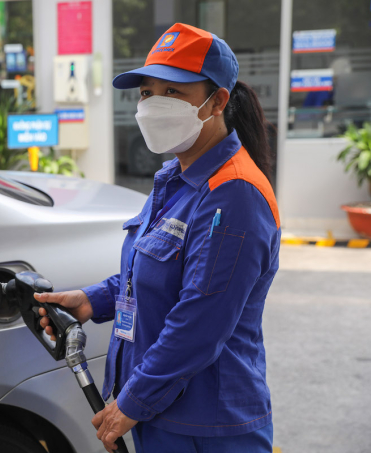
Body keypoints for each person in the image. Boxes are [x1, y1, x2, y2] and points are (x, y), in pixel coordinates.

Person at [36, 23, 279, 453]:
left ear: (217, 101)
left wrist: (131, 402)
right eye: (147, 93)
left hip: (208, 428)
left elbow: (201, 320)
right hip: (166, 414)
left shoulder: (234, 194)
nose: (152, 105)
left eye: (173, 92)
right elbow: (152, 275)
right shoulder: (176, 178)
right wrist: (93, 300)